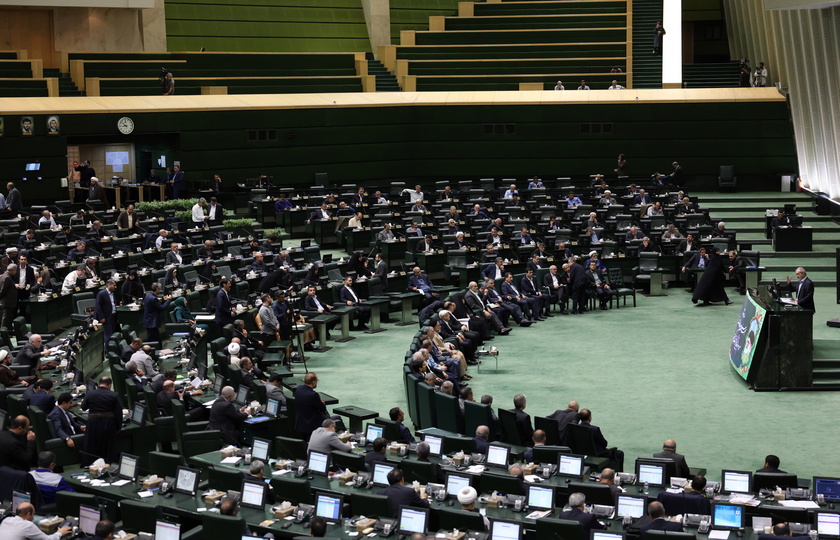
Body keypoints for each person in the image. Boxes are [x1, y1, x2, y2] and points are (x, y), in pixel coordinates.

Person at [81, 377, 122, 465]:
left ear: (99, 384)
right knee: (108, 447)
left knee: (93, 445)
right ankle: (109, 465)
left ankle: (91, 465)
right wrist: (118, 427)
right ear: (109, 385)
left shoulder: (90, 393)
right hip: (108, 424)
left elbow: (83, 407)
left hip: (93, 423)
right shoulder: (114, 395)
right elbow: (118, 414)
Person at [0, 502, 72, 539]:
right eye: (33, 515)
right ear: (28, 515)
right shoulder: (27, 525)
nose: (33, 518)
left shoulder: (6, 520)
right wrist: (60, 533)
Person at [294, 372, 328, 439]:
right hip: (312, 425)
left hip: (300, 423)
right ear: (313, 382)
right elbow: (322, 408)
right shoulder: (313, 395)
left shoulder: (298, 389)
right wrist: (322, 403)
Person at [95, 279, 119, 348]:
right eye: (114, 285)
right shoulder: (102, 294)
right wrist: (101, 317)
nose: (115, 287)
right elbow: (98, 306)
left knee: (113, 334)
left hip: (113, 316)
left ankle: (113, 348)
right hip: (106, 317)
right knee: (108, 335)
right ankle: (107, 351)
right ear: (109, 285)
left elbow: (113, 305)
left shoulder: (113, 294)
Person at [0, 263, 18, 329]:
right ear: (12, 270)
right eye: (15, 270)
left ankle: (8, 331)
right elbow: (3, 291)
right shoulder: (7, 277)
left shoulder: (4, 275)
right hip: (7, 301)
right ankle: (3, 333)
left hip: (8, 301)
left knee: (9, 318)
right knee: (6, 319)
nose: (16, 272)